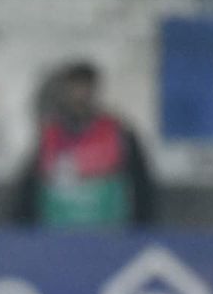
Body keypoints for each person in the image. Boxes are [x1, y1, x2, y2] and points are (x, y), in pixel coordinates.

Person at [13, 61, 156, 227]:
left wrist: (142, 228)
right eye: (74, 88)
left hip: (108, 231)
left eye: (85, 88)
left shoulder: (117, 133)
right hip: (57, 231)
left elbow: (141, 185)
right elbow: (29, 190)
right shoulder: (49, 137)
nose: (80, 96)